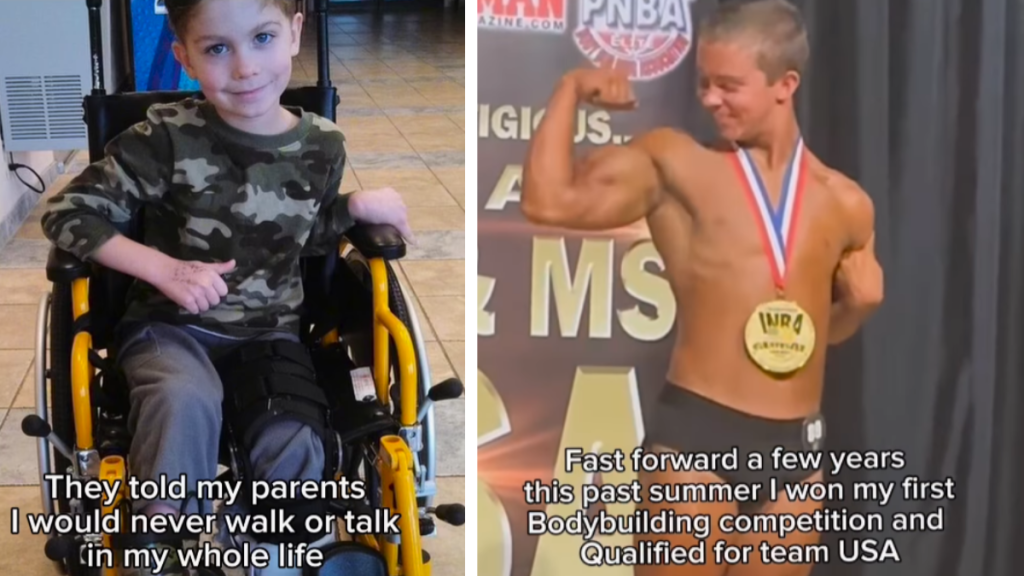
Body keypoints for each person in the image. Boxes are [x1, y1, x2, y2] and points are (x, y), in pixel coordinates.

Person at [41, 0, 412, 574]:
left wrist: (351, 207)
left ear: (294, 32)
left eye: (261, 38)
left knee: (292, 437)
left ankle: (266, 550)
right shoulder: (167, 137)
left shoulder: (323, 145)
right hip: (169, 328)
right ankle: (161, 546)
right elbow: (67, 213)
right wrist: (161, 267)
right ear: (183, 56)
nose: (244, 67)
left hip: (270, 335)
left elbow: (304, 238)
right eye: (217, 49)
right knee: (182, 399)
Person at [521, 0, 884, 574]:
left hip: (798, 449)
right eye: (704, 83)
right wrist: (569, 89)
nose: (710, 99)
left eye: (729, 85)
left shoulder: (847, 204)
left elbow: (818, 337)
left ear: (784, 85)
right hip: (699, 439)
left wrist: (857, 312)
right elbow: (548, 202)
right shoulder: (678, 163)